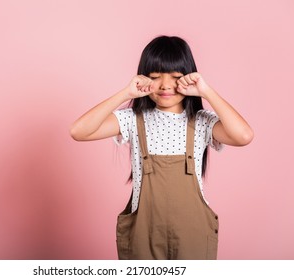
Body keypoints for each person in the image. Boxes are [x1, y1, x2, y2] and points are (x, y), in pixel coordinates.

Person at [70, 35, 253, 260]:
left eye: (176, 77)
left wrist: (207, 92)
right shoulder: (132, 120)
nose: (166, 85)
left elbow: (243, 135)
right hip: (143, 235)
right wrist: (125, 93)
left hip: (192, 234)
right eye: (155, 77)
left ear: (189, 79)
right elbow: (79, 131)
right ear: (143, 78)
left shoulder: (202, 121)